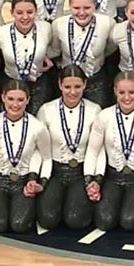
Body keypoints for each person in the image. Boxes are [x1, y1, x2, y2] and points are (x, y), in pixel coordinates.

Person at [84, 72, 134, 231]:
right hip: (113, 177)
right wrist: (91, 180)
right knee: (104, 221)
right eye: (121, 92)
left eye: (131, 92)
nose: (127, 97)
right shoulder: (104, 116)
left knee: (129, 221)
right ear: (115, 91)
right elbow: (93, 150)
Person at [0, 79, 52, 233]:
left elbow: (46, 157)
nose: (15, 105)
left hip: (23, 182)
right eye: (10, 99)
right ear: (3, 97)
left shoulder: (37, 127)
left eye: (20, 100)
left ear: (28, 100)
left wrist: (39, 182)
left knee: (19, 224)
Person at [36, 65, 100, 230]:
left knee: (75, 220)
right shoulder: (46, 110)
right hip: (55, 172)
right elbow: (40, 150)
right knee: (47, 220)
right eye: (67, 87)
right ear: (59, 85)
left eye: (77, 86)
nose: (72, 92)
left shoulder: (94, 110)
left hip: (80, 172)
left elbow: (97, 150)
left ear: (85, 84)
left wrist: (93, 179)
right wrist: (40, 178)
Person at [51, 0, 118, 108]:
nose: (81, 13)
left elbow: (110, 48)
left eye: (87, 8)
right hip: (68, 82)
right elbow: (56, 50)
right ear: (70, 6)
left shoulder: (108, 23)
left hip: (96, 80)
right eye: (76, 8)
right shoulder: (58, 25)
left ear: (94, 6)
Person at [0, 0, 55, 115]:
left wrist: (46, 56)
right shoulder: (0, 33)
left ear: (36, 11)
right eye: (19, 13)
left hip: (38, 84)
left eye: (30, 12)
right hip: (10, 83)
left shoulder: (47, 28)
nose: (25, 17)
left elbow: (53, 48)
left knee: (37, 119)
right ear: (12, 12)